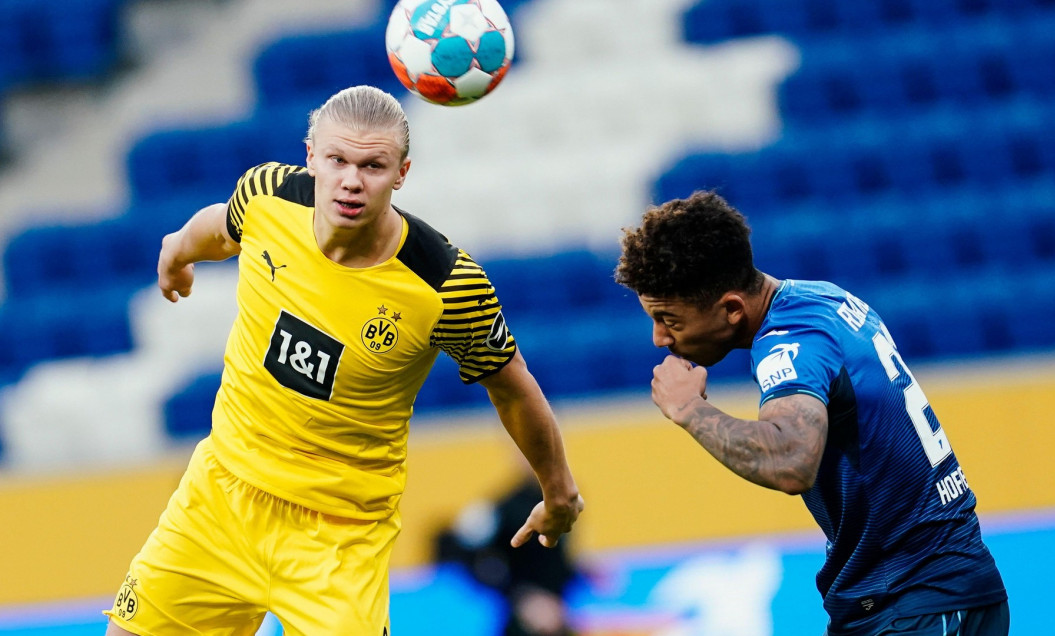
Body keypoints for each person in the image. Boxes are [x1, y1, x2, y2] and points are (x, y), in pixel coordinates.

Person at [105, 85, 583, 635]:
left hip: (338, 536)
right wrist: (177, 252)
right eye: (337, 160)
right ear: (311, 156)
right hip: (220, 497)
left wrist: (557, 488)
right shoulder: (267, 195)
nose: (351, 181)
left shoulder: (446, 283)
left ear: (402, 173)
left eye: (373, 165)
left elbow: (512, 387)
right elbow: (221, 226)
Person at [614, 191, 1007, 635]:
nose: (659, 338)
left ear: (731, 310)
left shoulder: (791, 341)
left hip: (917, 598)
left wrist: (688, 408)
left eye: (671, 320)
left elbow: (790, 461)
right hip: (919, 594)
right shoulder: (820, 297)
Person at [434, 469, 582, 636]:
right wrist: (524, 598)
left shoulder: (567, 501)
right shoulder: (501, 510)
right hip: (521, 611)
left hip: (552, 608)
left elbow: (557, 563)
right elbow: (454, 549)